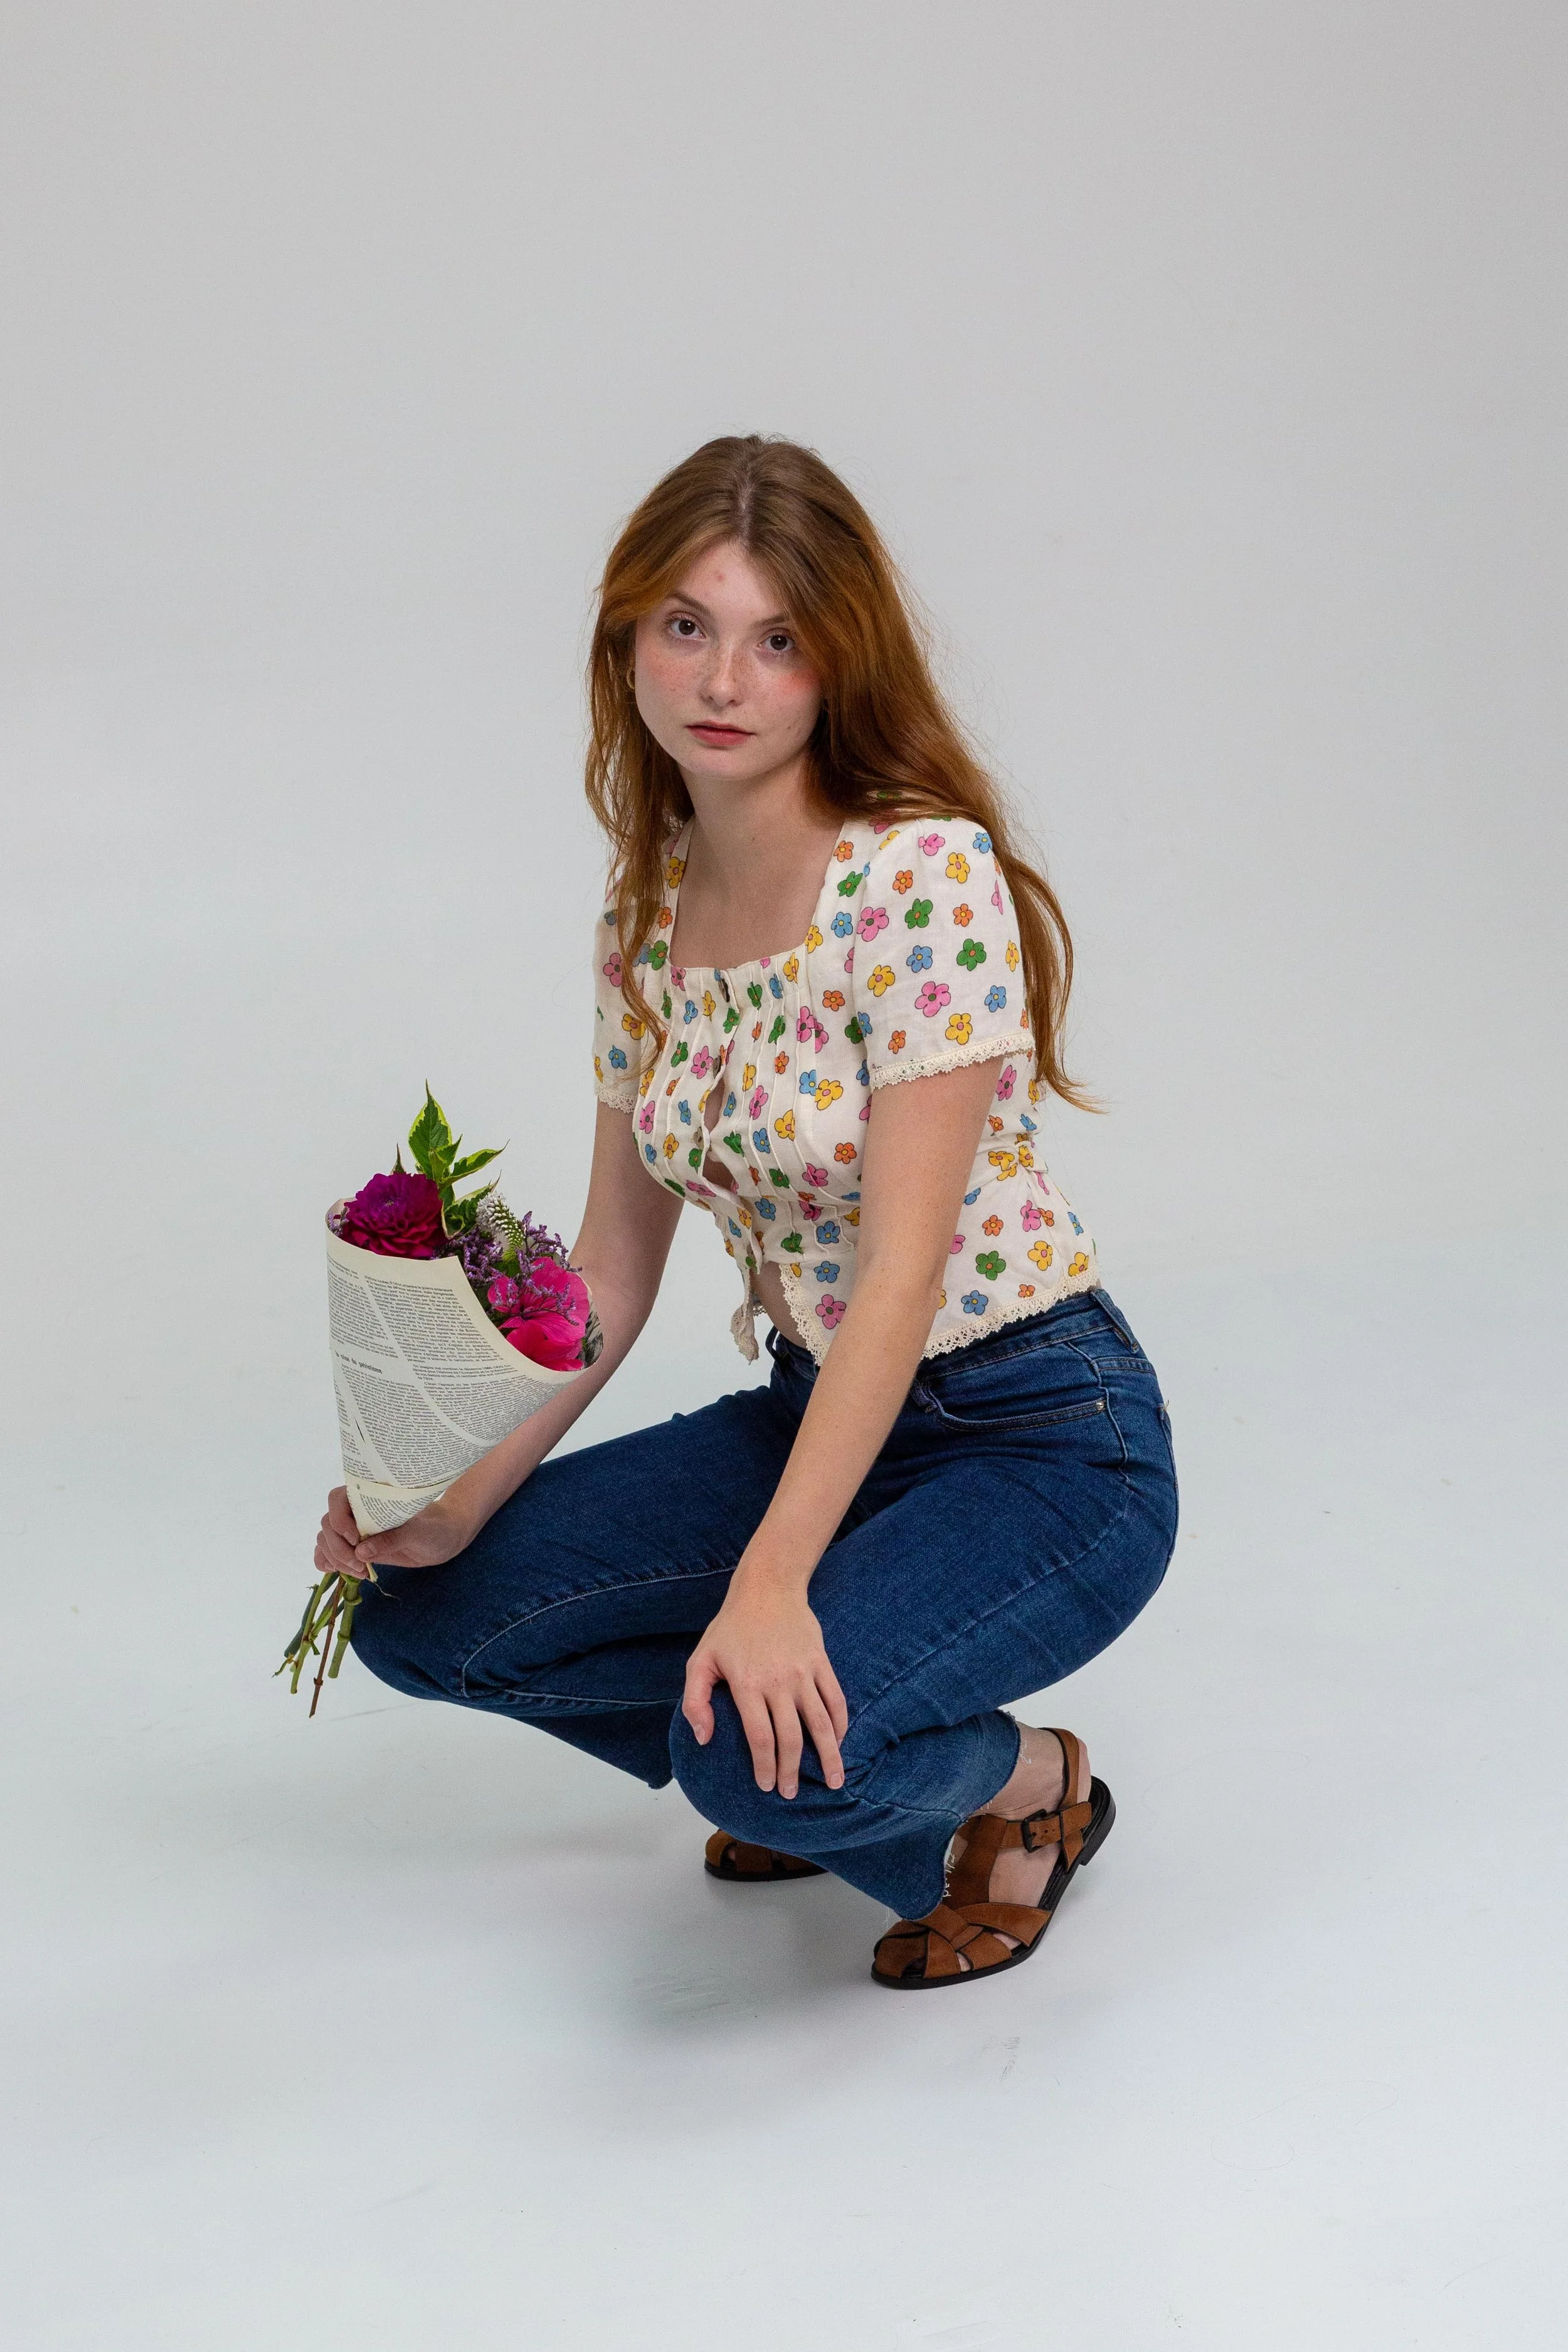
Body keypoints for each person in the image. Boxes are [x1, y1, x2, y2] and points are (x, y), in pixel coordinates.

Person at [319, 435, 1179, 1989]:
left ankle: (1019, 1791)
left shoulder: (919, 877)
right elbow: (608, 1271)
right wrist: (451, 1492)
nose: (725, 676)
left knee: (748, 1768)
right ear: (626, 642)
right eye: (686, 625)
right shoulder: (646, 910)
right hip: (817, 1421)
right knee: (421, 1616)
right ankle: (806, 1724)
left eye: (778, 639)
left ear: (834, 664)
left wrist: (773, 1585)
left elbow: (902, 1278)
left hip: (1037, 1436)